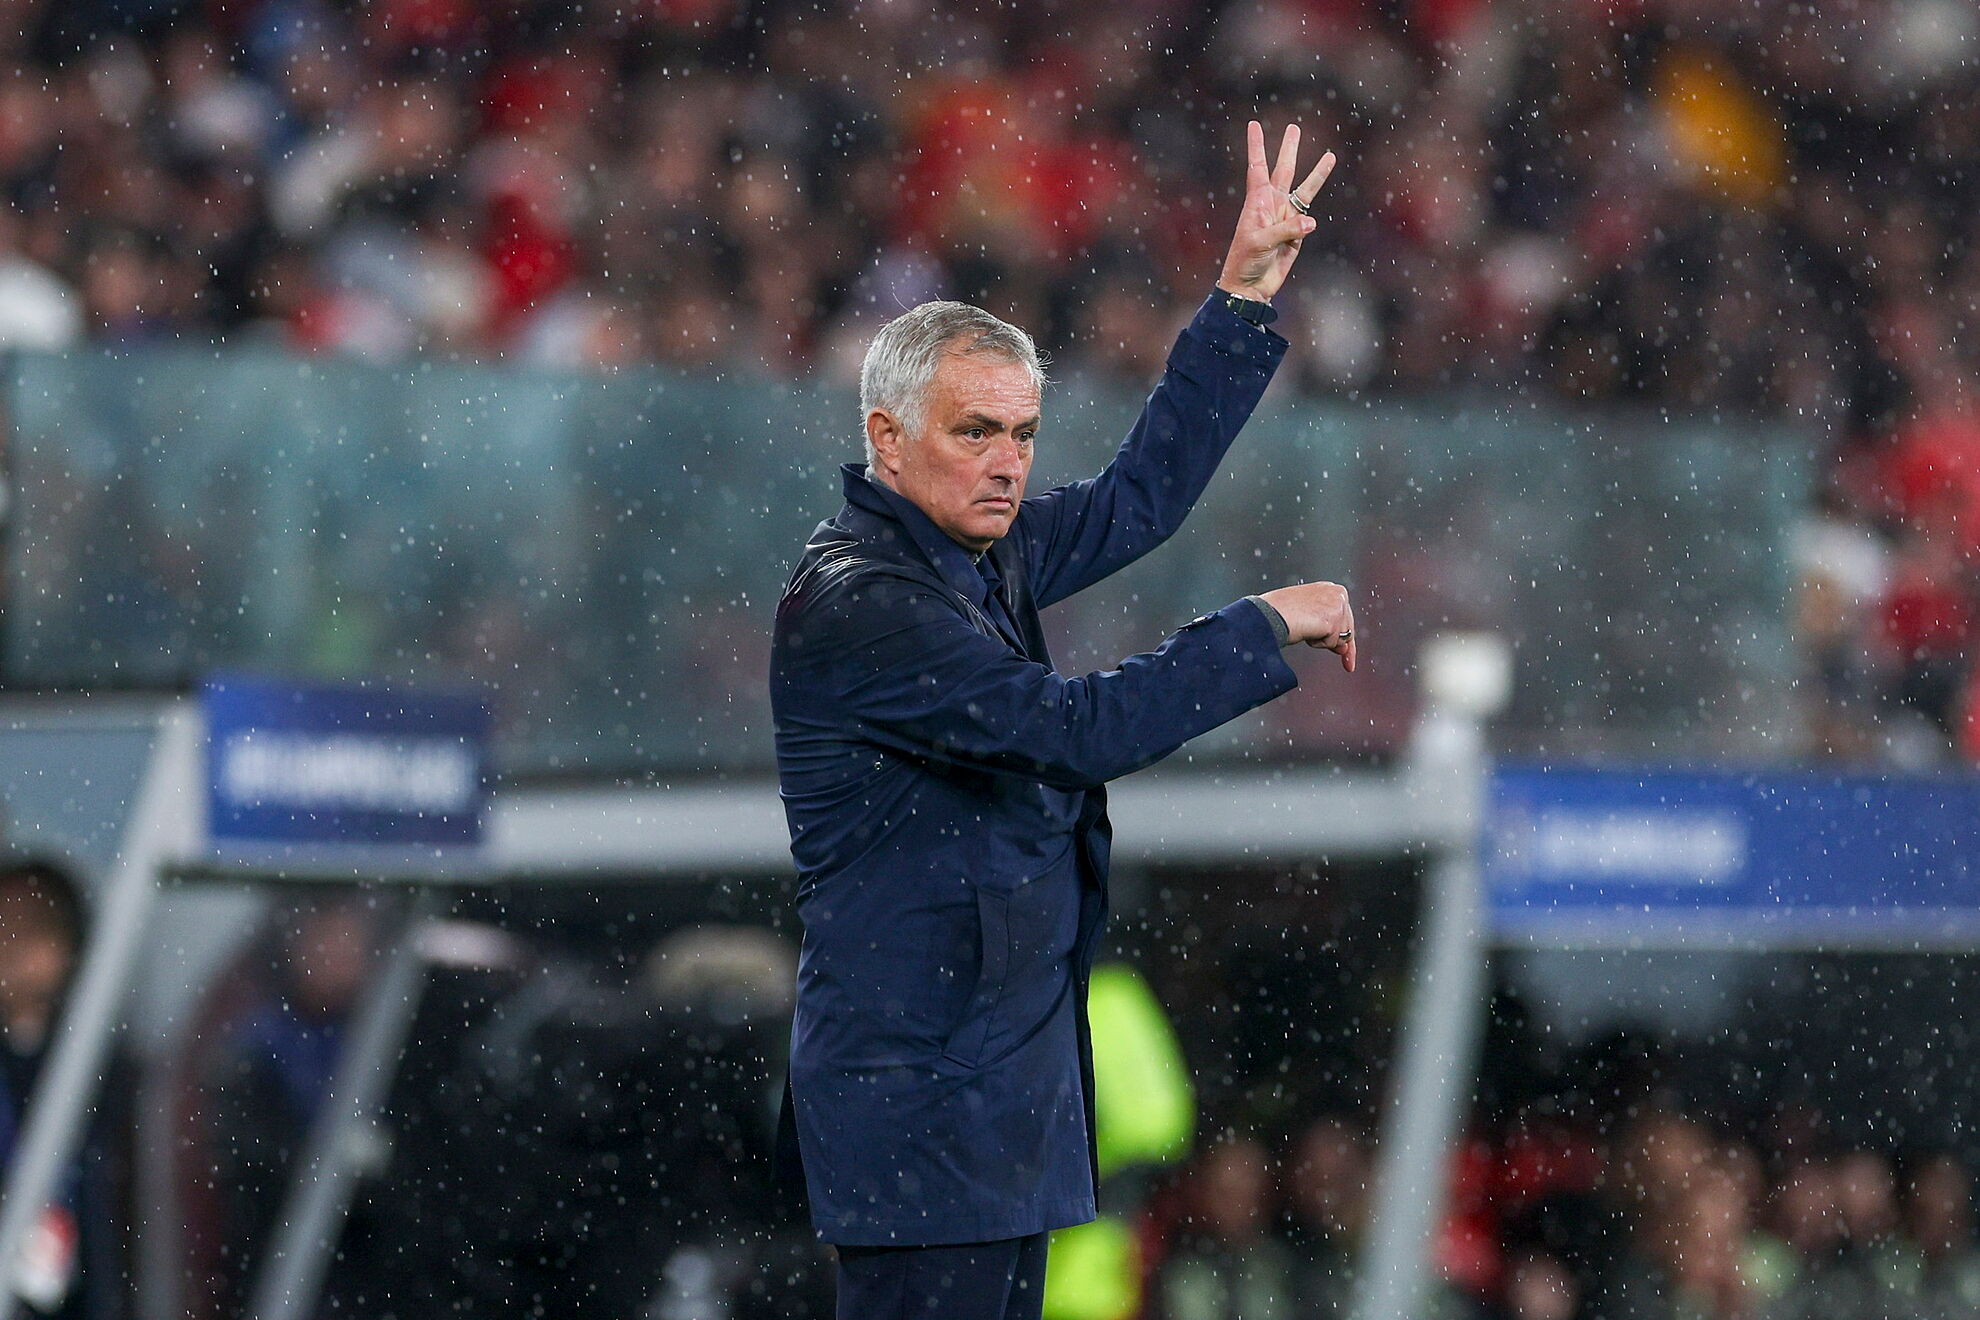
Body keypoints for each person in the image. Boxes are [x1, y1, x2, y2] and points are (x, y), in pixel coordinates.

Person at [770, 120, 1356, 1320]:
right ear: (886, 438)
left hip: (989, 1098)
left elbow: (1139, 499)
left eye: (1024, 434)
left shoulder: (973, 555)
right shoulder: (863, 601)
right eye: (973, 432)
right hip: (921, 1111)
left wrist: (1239, 301)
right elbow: (1074, 732)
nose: (1007, 464)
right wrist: (1256, 624)